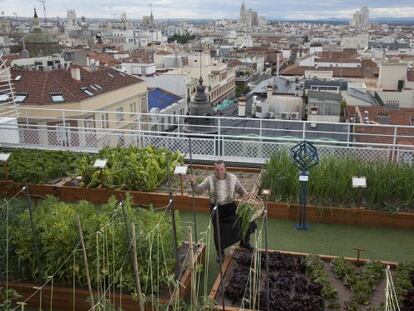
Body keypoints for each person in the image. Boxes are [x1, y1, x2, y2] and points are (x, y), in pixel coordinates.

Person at [190, 160, 256, 262]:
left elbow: (241, 191)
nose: (219, 172)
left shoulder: (233, 178)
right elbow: (198, 190)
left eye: (221, 169)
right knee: (218, 231)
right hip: (217, 210)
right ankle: (220, 253)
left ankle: (244, 242)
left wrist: (248, 195)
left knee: (247, 218)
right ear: (214, 169)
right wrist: (194, 183)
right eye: (217, 170)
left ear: (225, 169)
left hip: (231, 208)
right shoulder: (210, 179)